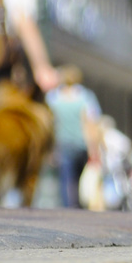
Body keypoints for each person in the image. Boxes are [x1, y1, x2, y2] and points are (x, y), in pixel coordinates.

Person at [45, 66, 102, 209]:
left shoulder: (53, 98)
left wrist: (49, 149)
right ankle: (76, 206)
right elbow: (89, 124)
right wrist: (94, 149)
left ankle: (69, 208)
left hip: (62, 144)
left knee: (66, 179)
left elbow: (50, 125)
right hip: (80, 145)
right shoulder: (85, 97)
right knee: (77, 177)